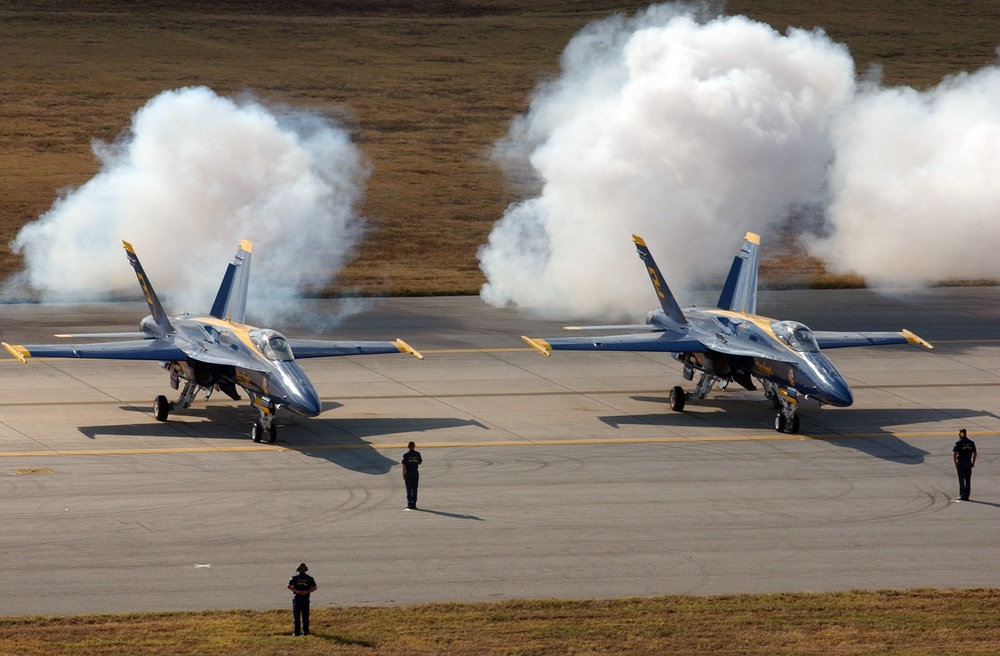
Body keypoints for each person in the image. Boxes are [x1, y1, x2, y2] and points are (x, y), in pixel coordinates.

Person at [287, 563, 317, 636]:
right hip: (305, 598)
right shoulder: (310, 578)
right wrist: (306, 592)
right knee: (305, 616)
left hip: (297, 598)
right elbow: (315, 587)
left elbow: (288, 586)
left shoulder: (294, 578)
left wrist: (297, 591)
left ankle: (296, 632)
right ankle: (305, 632)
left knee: (297, 616)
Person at [952, 428, 977, 501]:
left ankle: (962, 495)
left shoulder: (958, 443)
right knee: (968, 480)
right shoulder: (971, 442)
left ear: (961, 434)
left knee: (961, 480)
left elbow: (954, 454)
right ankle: (967, 496)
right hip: (968, 462)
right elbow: (975, 453)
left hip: (961, 463)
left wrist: (955, 463)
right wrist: (973, 462)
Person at [402, 441, 422, 510]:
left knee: (409, 489)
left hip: (409, 473)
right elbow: (420, 462)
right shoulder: (417, 454)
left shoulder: (405, 455)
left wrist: (403, 475)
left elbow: (404, 466)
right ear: (414, 446)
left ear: (408, 446)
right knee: (415, 489)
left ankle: (409, 503)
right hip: (415, 472)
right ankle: (414, 504)